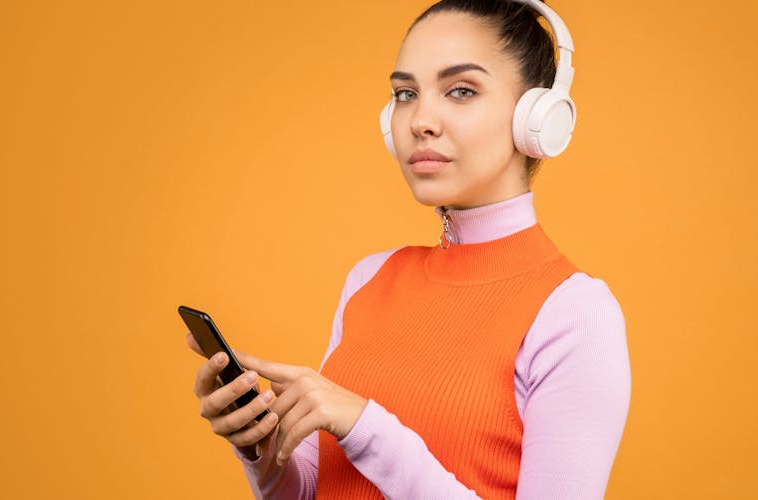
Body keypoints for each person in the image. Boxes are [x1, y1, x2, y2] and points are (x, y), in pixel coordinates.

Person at [185, 0, 631, 498]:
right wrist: (263, 451)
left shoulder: (574, 312)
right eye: (405, 93)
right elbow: (313, 489)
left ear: (537, 116)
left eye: (461, 91)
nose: (421, 119)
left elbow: (364, 434)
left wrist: (364, 427)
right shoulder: (369, 279)